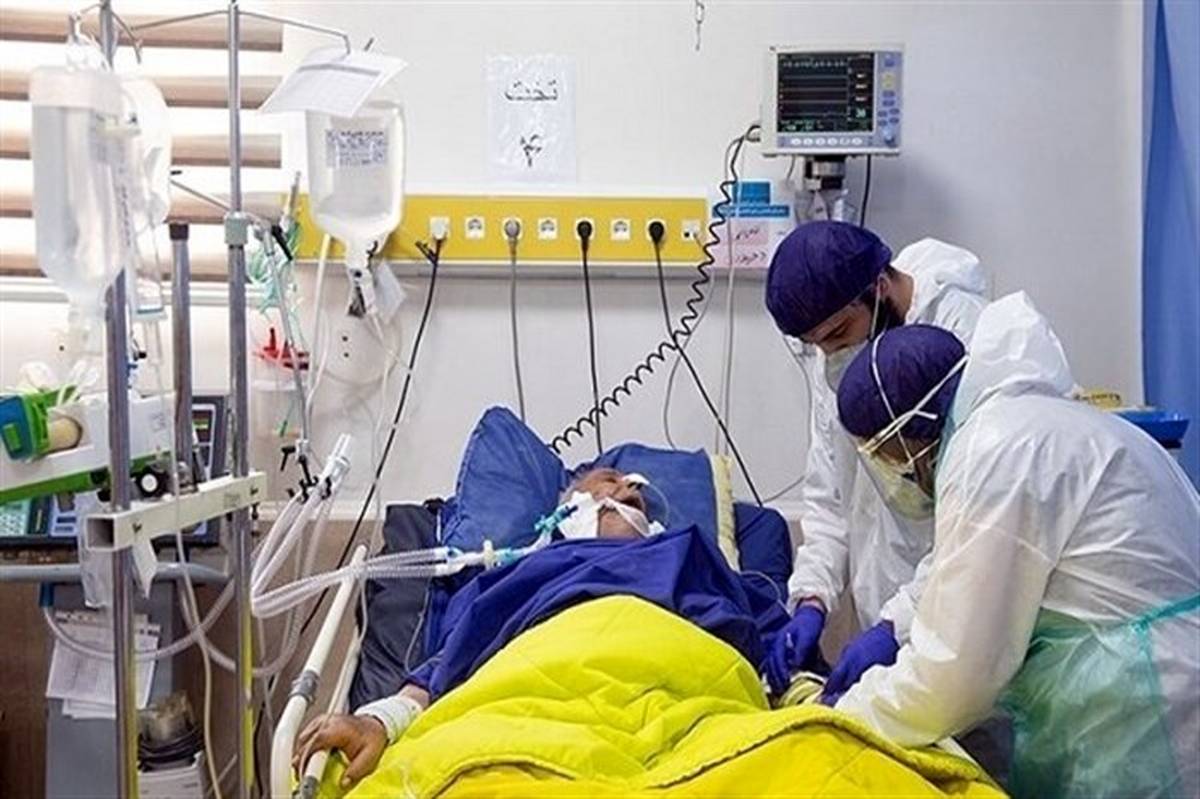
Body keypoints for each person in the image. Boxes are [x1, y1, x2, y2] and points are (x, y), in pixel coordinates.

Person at [831, 292, 1200, 798]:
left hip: (1141, 708)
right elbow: (970, 560)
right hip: (1156, 678)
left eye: (886, 456)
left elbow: (954, 679)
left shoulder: (992, 453)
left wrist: (846, 715)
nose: (895, 474)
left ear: (911, 432)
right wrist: (894, 626)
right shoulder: (1031, 423)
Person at [294, 468, 789, 790]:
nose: (629, 488)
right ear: (567, 511)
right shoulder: (523, 573)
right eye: (609, 481)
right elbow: (445, 667)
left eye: (635, 491)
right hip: (529, 703)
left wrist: (807, 690)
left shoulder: (691, 551)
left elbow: (777, 648)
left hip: (690, 703)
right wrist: (378, 721)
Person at [762, 220, 989, 696]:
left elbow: (979, 525)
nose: (831, 353)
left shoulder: (962, 339)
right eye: (816, 344)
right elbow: (831, 496)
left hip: (961, 606)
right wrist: (811, 599)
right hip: (891, 609)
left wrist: (897, 625)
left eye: (838, 333)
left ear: (880, 286)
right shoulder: (841, 356)